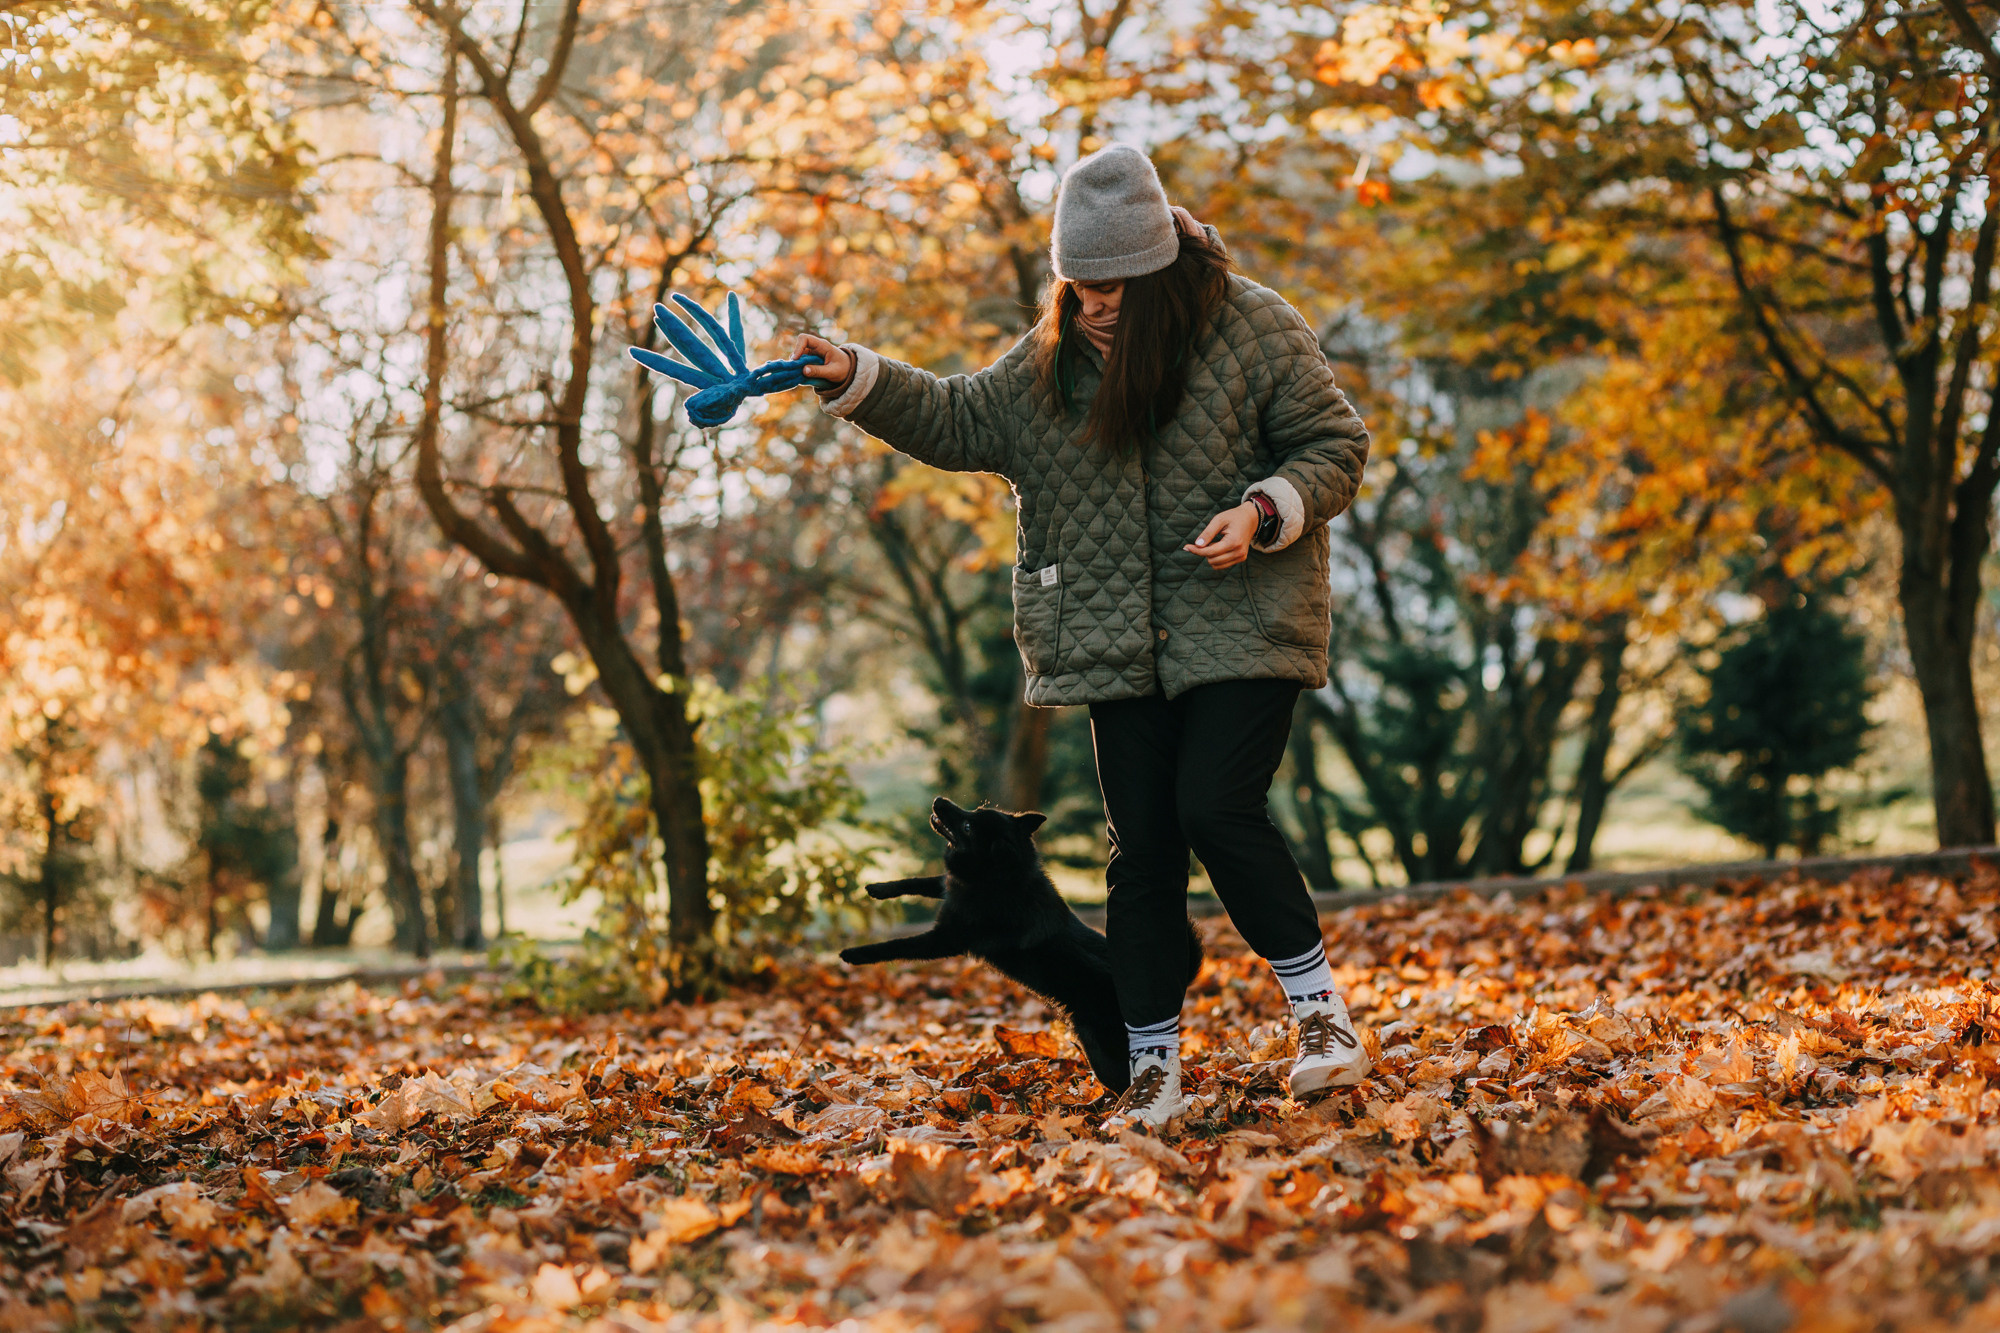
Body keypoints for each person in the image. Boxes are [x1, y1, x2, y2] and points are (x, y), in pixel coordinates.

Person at [795, 144, 1372, 1130]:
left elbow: (1334, 444)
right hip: (1113, 636)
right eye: (1079, 284)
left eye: (1115, 284)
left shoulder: (1250, 325)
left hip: (1242, 614)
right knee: (1140, 850)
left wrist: (1264, 509)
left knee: (1213, 809)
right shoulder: (1047, 365)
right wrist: (856, 378)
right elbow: (953, 418)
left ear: (1158, 264)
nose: (1097, 302)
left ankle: (1321, 1018)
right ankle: (1152, 1071)